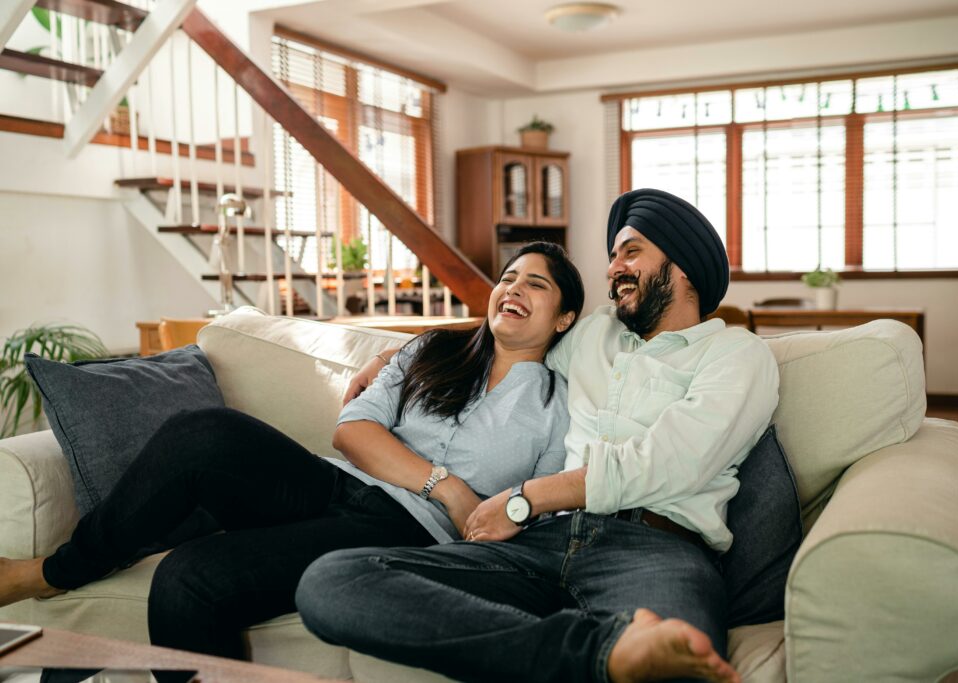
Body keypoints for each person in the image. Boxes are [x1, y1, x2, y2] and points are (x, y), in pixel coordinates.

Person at [0, 241, 584, 662]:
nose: (513, 289)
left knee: (187, 581)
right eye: (508, 277)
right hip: (336, 483)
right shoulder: (431, 350)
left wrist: (484, 514)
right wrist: (448, 486)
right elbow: (352, 431)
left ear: (564, 318)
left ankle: (138, 547)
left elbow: (541, 514)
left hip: (403, 532)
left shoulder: (560, 408)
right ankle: (57, 572)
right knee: (203, 431)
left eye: (536, 284)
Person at [295, 188, 780, 683]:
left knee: (680, 667)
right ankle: (595, 653)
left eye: (630, 252)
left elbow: (671, 461)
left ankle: (602, 652)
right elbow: (510, 325)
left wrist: (526, 498)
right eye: (612, 257)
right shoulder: (595, 334)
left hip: (653, 550)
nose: (613, 269)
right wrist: (397, 352)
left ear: (684, 268)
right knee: (333, 580)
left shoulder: (736, 355)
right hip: (538, 544)